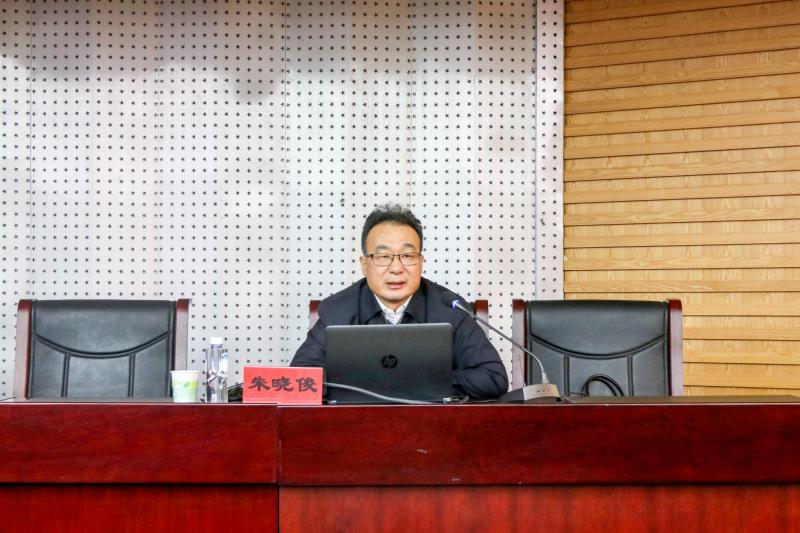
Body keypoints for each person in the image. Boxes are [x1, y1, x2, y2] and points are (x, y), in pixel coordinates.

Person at [291, 203, 509, 399]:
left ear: (421, 262)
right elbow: (301, 378)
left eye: (407, 256)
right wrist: (381, 382)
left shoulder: (449, 308)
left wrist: (419, 381)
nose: (396, 268)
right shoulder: (339, 309)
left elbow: (493, 377)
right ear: (364, 265)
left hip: (430, 424)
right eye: (383, 256)